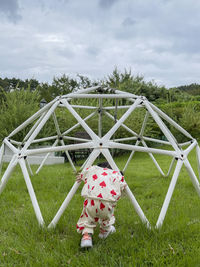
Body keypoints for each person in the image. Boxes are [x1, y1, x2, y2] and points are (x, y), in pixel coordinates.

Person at [76, 163, 127, 248]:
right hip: (107, 203)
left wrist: (81, 176)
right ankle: (104, 231)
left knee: (88, 218)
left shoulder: (93, 169)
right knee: (107, 217)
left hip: (91, 201)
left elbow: (83, 174)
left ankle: (86, 238)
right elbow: (123, 186)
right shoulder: (117, 174)